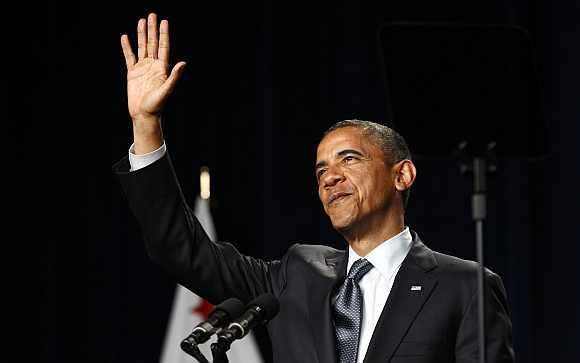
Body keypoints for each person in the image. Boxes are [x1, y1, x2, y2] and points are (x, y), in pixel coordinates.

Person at [114, 13, 515, 363]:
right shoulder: (297, 273)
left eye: (350, 159)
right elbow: (181, 249)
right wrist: (146, 125)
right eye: (321, 168)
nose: (330, 176)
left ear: (402, 175)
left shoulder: (464, 286)